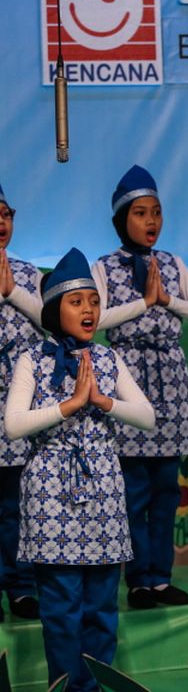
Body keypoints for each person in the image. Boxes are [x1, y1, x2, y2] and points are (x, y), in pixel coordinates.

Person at [4, 248, 154, 691]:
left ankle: (97, 686)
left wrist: (104, 401)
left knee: (102, 608)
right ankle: (66, 686)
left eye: (93, 300)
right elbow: (13, 425)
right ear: (53, 309)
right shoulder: (33, 359)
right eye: (77, 301)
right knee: (63, 607)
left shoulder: (108, 359)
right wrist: (68, 405)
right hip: (51, 493)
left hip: (103, 491)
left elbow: (146, 415)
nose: (89, 309)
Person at [93, 165, 188, 608]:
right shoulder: (104, 266)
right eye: (141, 213)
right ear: (121, 219)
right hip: (127, 378)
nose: (151, 222)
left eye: (157, 213)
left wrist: (167, 299)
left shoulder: (173, 264)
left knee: (167, 489)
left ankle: (161, 578)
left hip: (168, 378)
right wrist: (143, 303)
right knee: (133, 490)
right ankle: (138, 581)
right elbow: (97, 321)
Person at [0, 184, 42, 623]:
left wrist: (12, 290)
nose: (1, 222)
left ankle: (22, 586)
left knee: (18, 503)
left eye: (6, 213)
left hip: (19, 406)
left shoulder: (30, 275)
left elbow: (53, 327)